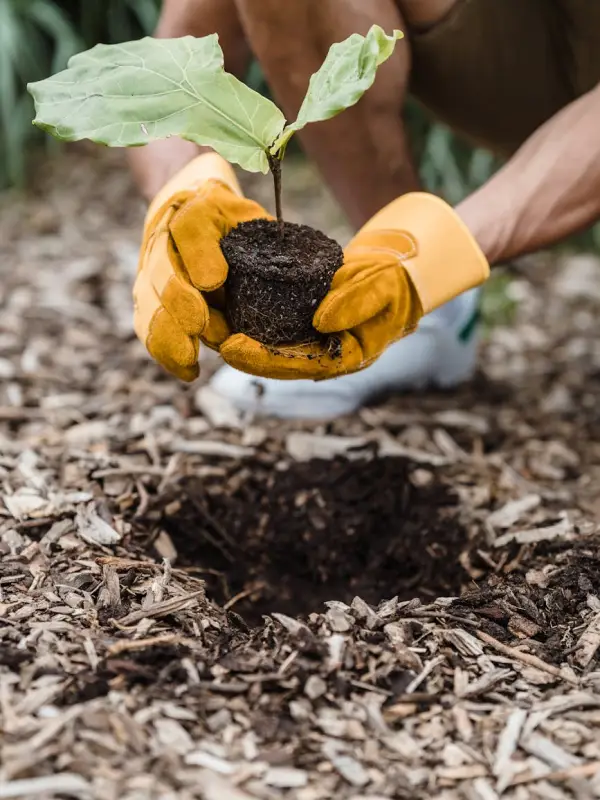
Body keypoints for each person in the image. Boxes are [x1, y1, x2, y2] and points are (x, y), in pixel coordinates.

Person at [131, 0, 600, 419]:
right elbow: (173, 64)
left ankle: (417, 296)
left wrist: (435, 251)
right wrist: (181, 190)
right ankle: (420, 320)